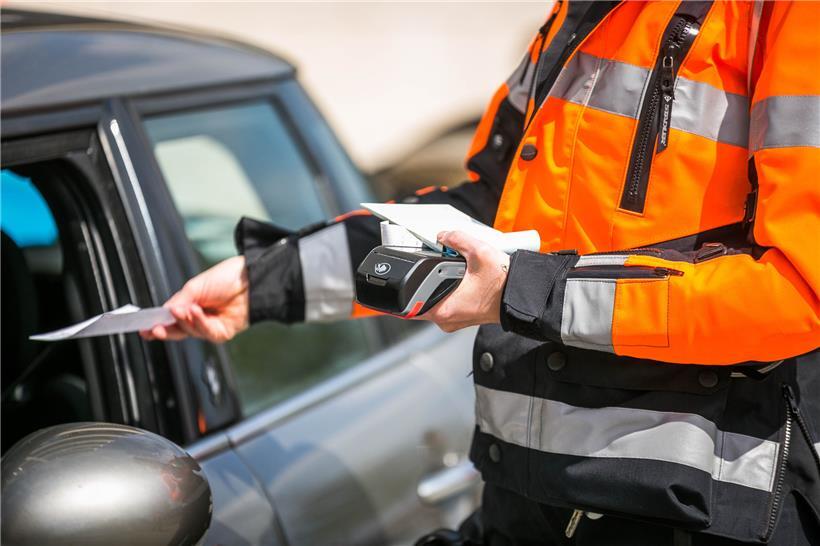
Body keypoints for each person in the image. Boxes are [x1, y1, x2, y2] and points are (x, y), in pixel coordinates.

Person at [143, 1, 820, 544]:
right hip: (527, 501)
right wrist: (268, 280)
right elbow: (481, 214)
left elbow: (798, 292)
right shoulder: (583, 14)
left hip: (692, 513)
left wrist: (520, 291)